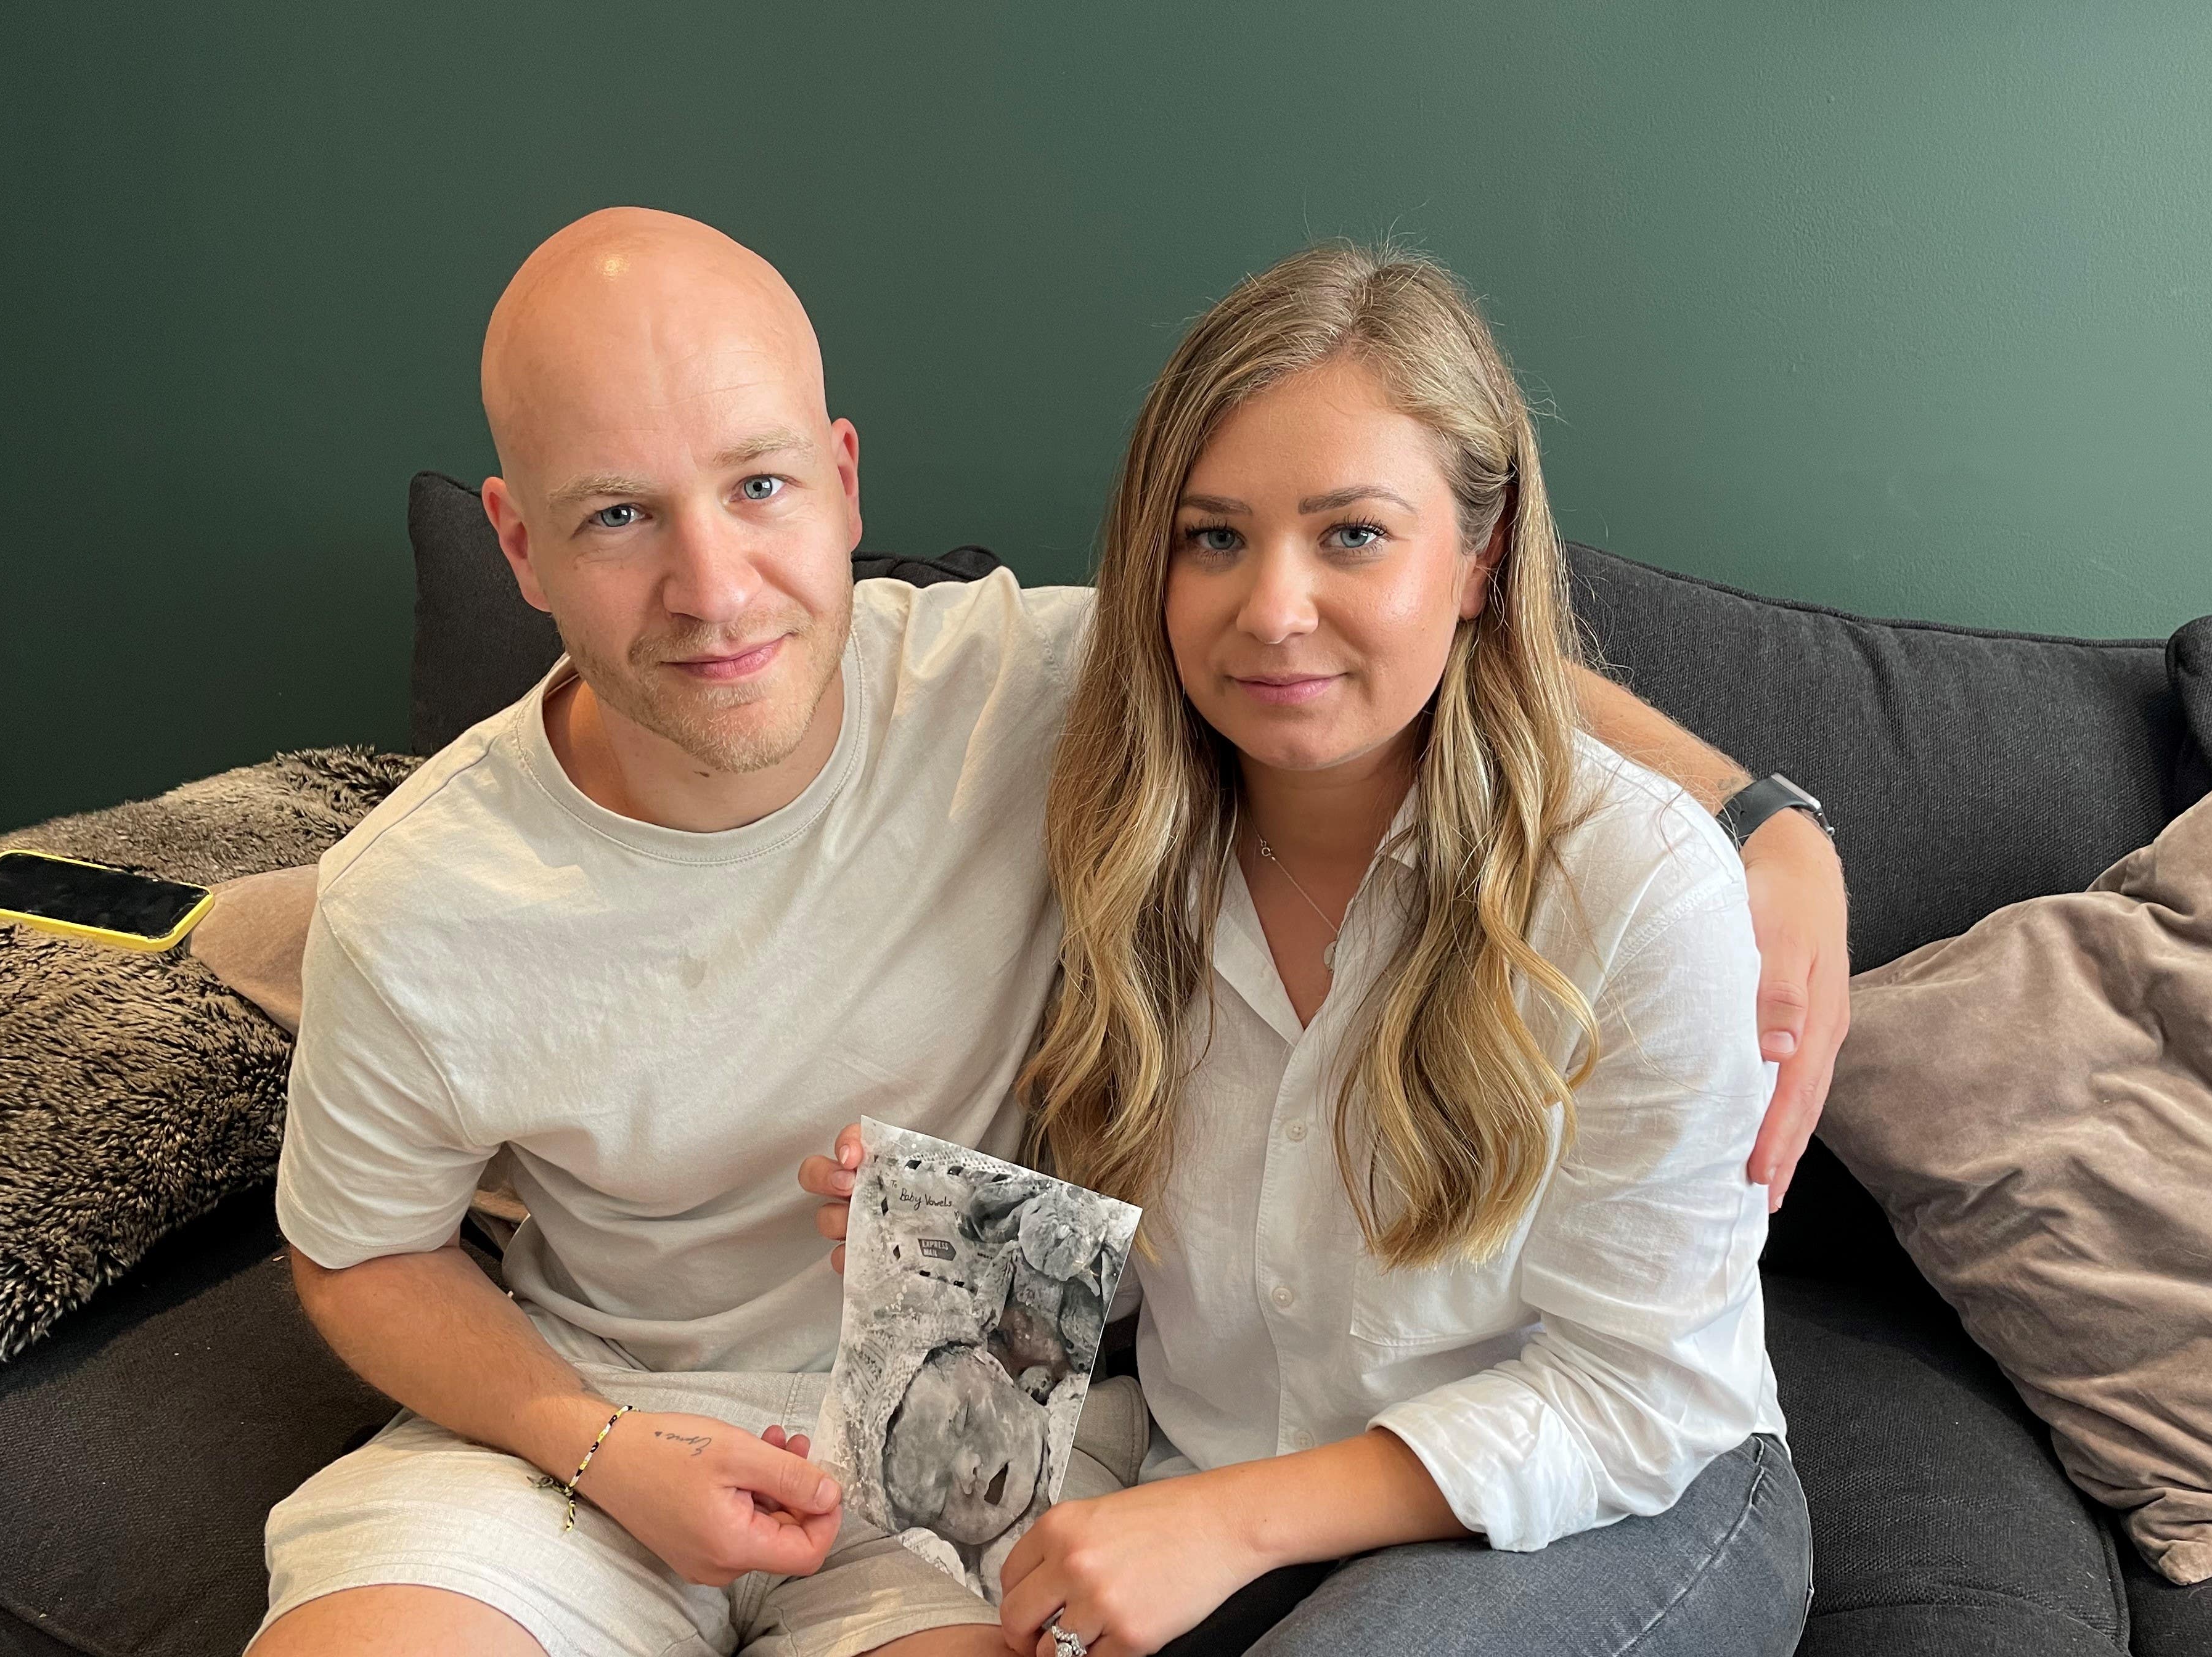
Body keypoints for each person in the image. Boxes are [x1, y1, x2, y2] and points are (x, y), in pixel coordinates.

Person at [253, 209, 1842, 1657]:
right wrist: (619, 1417)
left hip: (995, 1479)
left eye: (757, 486)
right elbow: (358, 1244)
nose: (714, 588)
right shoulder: (1134, 774)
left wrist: (1764, 823)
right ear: (517, 545)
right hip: (605, 1438)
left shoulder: (1031, 695)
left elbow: (1399, 645)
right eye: (616, 516)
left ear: (843, 481)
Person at [810, 243, 1814, 1656]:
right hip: (1217, 1486)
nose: (1272, 610)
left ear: (1481, 559)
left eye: (1352, 535)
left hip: (1615, 1498)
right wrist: (953, 1231)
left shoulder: (1640, 887)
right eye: (1214, 538)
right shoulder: (1115, 830)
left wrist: (1778, 825)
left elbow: (1642, 1395)